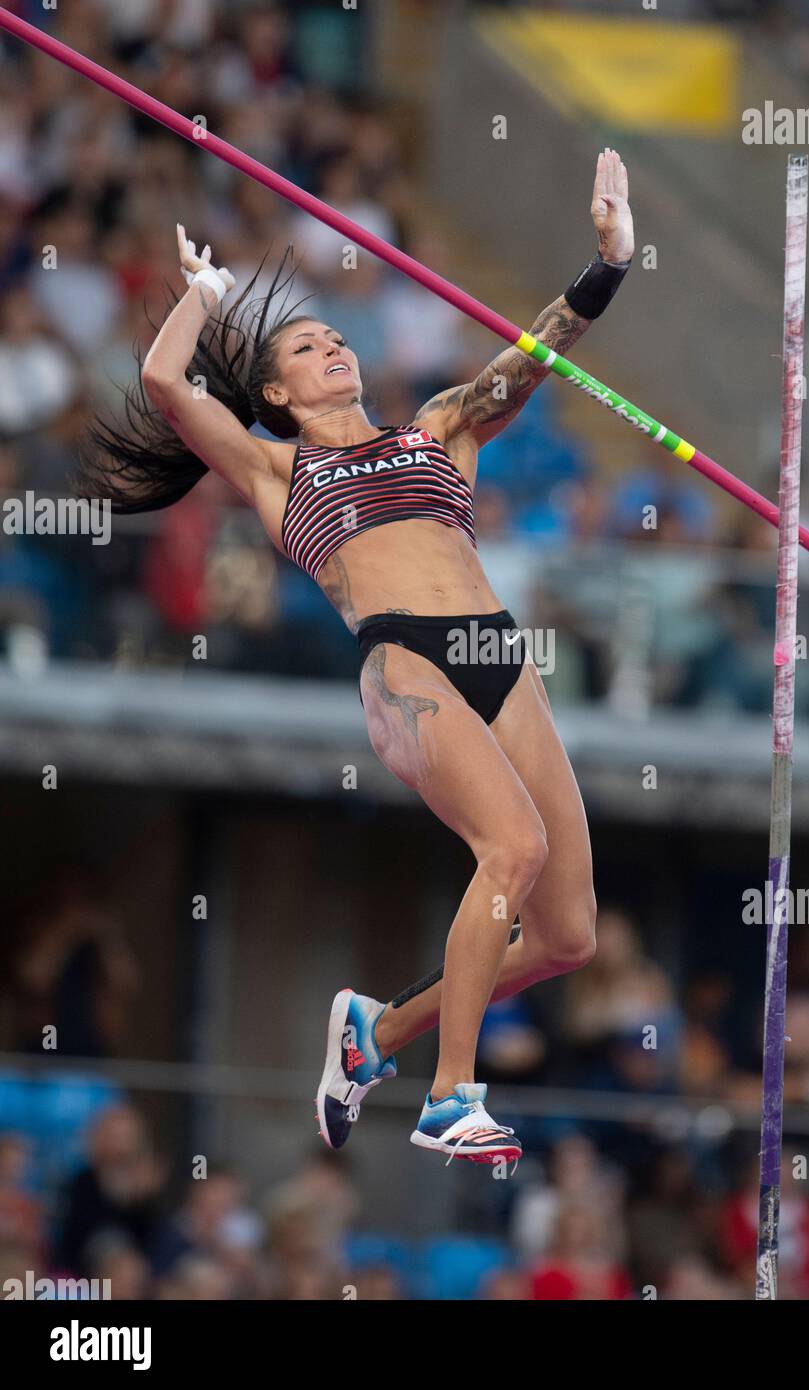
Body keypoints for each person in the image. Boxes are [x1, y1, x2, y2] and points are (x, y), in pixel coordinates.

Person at [79, 150, 635, 1165]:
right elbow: (165, 380)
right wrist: (206, 293)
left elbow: (532, 356)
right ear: (279, 393)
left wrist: (608, 264)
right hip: (404, 663)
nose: (331, 343)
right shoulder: (274, 465)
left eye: (335, 333)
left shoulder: (438, 428)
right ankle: (446, 1098)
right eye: (305, 344)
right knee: (509, 851)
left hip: (493, 652)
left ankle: (370, 1035)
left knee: (565, 935)